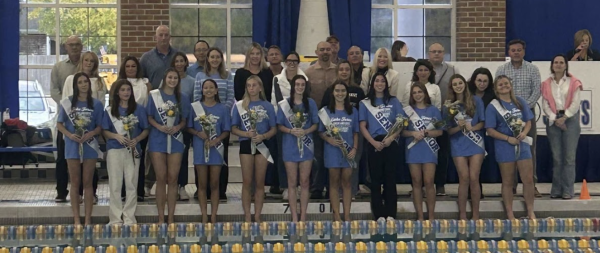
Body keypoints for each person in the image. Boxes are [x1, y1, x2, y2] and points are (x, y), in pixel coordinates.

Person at [495, 39, 542, 197]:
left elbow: (536, 91)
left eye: (519, 50)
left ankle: (531, 185)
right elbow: (498, 91)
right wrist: (511, 110)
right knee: (510, 150)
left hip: (527, 115)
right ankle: (512, 186)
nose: (516, 52)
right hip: (506, 117)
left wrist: (523, 109)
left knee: (529, 149)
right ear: (509, 52)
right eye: (513, 50)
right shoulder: (501, 69)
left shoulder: (532, 69)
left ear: (524, 51)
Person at [485, 75, 536, 220]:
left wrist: (524, 133)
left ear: (510, 85)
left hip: (523, 144)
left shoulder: (520, 101)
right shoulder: (493, 106)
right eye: (500, 85)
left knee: (528, 179)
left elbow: (528, 122)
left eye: (506, 83)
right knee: (507, 181)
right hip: (504, 146)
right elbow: (490, 130)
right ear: (495, 89)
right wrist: (508, 138)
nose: (504, 86)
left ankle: (530, 211)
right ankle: (510, 213)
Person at [57, 72, 104, 225]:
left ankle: (88, 219)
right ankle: (77, 218)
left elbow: (100, 127)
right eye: (80, 82)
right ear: (75, 85)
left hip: (89, 145)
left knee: (88, 182)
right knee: (75, 182)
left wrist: (91, 133)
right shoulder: (67, 103)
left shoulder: (96, 104)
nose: (83, 84)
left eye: (86, 82)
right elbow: (59, 124)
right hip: (72, 145)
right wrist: (70, 135)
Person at [147, 68, 191, 224]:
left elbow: (184, 120)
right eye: (170, 77)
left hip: (176, 140)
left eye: (175, 78)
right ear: (165, 78)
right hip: (158, 139)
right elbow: (149, 116)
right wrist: (159, 127)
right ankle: (160, 217)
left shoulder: (183, 98)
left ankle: (171, 217)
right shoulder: (154, 96)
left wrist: (177, 128)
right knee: (161, 178)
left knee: (173, 179)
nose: (172, 80)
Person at [102, 79, 149, 225]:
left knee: (131, 184)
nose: (126, 93)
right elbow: (104, 131)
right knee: (115, 185)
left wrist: (137, 139)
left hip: (133, 150)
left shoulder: (139, 109)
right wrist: (116, 136)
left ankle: (129, 217)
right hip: (115, 150)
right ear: (117, 92)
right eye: (123, 90)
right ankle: (115, 218)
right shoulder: (110, 111)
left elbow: (146, 129)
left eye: (128, 90)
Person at [231, 75, 277, 222]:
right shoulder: (240, 105)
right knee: (247, 181)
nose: (251, 88)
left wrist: (263, 137)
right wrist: (245, 133)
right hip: (246, 143)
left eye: (254, 85)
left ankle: (257, 215)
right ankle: (247, 216)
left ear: (260, 87)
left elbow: (274, 129)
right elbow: (233, 128)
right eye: (249, 86)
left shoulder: (268, 106)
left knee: (259, 182)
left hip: (262, 145)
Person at [62, 51, 106, 204]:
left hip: (91, 130)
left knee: (89, 168)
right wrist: (71, 128)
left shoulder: (100, 82)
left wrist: (92, 130)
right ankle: (76, 194)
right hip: (72, 130)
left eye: (92, 61)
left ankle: (91, 193)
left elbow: (100, 105)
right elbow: (66, 102)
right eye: (86, 60)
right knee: (74, 171)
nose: (89, 63)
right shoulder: (70, 79)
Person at [359, 73, 404, 220]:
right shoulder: (365, 103)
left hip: (390, 143)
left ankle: (391, 213)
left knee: (390, 179)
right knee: (376, 180)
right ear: (372, 84)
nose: (379, 83)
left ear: (386, 84)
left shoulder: (394, 101)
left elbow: (400, 123)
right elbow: (362, 126)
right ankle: (378, 214)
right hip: (374, 143)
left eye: (382, 81)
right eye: (377, 81)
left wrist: (391, 138)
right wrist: (373, 143)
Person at [193, 47, 235, 201]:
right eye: (212, 57)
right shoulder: (200, 75)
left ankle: (220, 190)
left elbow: (231, 97)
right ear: (208, 59)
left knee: (220, 156)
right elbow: (197, 97)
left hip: (221, 122)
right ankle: (201, 189)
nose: (215, 59)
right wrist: (203, 120)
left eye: (218, 57)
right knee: (201, 157)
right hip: (202, 122)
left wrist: (220, 113)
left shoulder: (227, 75)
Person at [187, 79, 231, 223]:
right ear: (202, 90)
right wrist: (198, 133)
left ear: (217, 90)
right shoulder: (195, 108)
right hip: (200, 148)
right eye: (206, 88)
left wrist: (217, 140)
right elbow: (189, 127)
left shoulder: (223, 109)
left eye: (211, 87)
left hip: (216, 149)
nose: (209, 90)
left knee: (214, 183)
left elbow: (226, 130)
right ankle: (204, 215)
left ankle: (213, 215)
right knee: (202, 184)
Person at [320, 60, 366, 198]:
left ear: (351, 72)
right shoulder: (330, 90)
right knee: (334, 170)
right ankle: (333, 193)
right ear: (337, 72)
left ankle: (352, 191)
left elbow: (363, 112)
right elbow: (323, 113)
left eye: (347, 69)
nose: (344, 72)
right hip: (334, 137)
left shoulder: (358, 90)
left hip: (353, 132)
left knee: (353, 164)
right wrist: (329, 137)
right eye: (341, 69)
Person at [276, 75, 318, 222]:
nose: (300, 87)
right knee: (292, 182)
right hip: (289, 146)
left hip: (306, 147)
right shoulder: (284, 104)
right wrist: (291, 131)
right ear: (293, 86)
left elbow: (315, 124)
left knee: (305, 182)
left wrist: (306, 131)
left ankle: (303, 216)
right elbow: (279, 125)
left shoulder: (310, 103)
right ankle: (294, 216)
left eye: (302, 85)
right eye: (297, 84)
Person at [541, 54, 582, 199]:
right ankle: (556, 189)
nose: (558, 64)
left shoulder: (574, 82)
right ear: (552, 65)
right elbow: (545, 104)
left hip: (570, 119)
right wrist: (555, 119)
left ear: (566, 65)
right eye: (555, 62)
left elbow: (576, 103)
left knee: (569, 158)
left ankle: (567, 190)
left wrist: (564, 117)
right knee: (557, 158)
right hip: (553, 121)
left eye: (561, 62)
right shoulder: (546, 83)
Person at [446, 74, 486, 220]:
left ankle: (476, 215)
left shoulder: (477, 100)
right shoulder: (449, 106)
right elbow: (448, 131)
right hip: (458, 143)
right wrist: (459, 127)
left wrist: (472, 128)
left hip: (475, 143)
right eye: (455, 84)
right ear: (451, 87)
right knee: (464, 178)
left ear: (465, 84)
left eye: (460, 83)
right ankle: (462, 215)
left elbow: (483, 122)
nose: (458, 86)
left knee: (474, 177)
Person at [319, 81, 359, 222]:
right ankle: (336, 215)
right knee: (334, 182)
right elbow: (321, 132)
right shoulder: (326, 111)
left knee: (347, 182)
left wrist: (354, 148)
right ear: (333, 92)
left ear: (346, 93)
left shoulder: (353, 111)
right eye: (337, 90)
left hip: (348, 151)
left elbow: (355, 132)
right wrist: (328, 139)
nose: (340, 93)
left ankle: (347, 215)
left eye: (343, 91)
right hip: (332, 151)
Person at [271, 51, 308, 200]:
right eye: (289, 60)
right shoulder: (277, 79)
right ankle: (285, 186)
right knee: (283, 156)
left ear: (298, 63)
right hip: (284, 124)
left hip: (301, 124)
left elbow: (306, 100)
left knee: (301, 156)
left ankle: (300, 186)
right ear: (285, 62)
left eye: (295, 61)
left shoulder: (305, 78)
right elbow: (274, 103)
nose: (292, 63)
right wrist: (282, 120)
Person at [402, 83, 443, 221]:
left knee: (429, 181)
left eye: (420, 92)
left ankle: (431, 216)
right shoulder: (407, 111)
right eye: (414, 93)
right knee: (416, 182)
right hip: (413, 150)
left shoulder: (434, 110)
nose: (418, 95)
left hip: (429, 150)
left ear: (425, 93)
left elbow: (440, 132)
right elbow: (402, 132)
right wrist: (413, 133)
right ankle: (420, 216)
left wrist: (426, 132)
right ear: (411, 95)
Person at [160, 52, 195, 201]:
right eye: (177, 61)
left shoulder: (192, 81)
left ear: (186, 63)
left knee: (183, 157)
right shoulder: (163, 84)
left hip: (182, 127)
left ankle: (181, 186)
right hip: (165, 128)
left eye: (182, 61)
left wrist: (182, 124)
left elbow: (193, 103)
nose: (180, 63)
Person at [116, 56, 152, 201]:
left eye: (133, 66)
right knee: (124, 159)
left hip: (140, 124)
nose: (131, 69)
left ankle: (139, 191)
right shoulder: (118, 83)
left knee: (139, 158)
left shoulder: (146, 83)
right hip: (122, 124)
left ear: (138, 68)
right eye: (128, 66)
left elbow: (149, 103)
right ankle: (124, 191)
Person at [305, 41, 337, 199]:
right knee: (317, 155)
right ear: (316, 52)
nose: (325, 52)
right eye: (322, 49)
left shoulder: (338, 71)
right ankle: (316, 187)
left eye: (328, 49)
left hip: (336, 120)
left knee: (334, 154)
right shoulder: (309, 73)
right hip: (316, 120)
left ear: (332, 52)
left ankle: (332, 187)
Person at [428, 43, 458, 196]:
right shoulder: (423, 69)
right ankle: (423, 185)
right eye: (433, 52)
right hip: (426, 117)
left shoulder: (451, 69)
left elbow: (457, 90)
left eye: (439, 51)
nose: (437, 54)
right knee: (425, 152)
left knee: (443, 152)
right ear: (428, 53)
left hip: (445, 117)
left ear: (444, 53)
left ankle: (440, 184)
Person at [467, 67, 496, 200]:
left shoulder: (493, 95)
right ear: (474, 80)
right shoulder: (466, 93)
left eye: (485, 81)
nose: (482, 84)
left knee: (480, 164)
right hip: (468, 133)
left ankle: (477, 190)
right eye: (479, 80)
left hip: (486, 133)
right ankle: (469, 190)